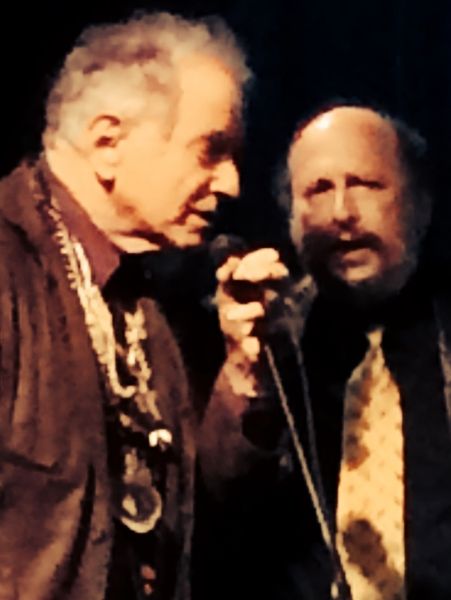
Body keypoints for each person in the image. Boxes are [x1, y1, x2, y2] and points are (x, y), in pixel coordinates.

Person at [0, 11, 250, 600]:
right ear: (107, 143)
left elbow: (216, 516)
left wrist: (247, 373)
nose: (232, 183)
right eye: (211, 150)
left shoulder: (154, 298)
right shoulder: (7, 265)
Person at [201, 103, 451, 599]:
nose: (342, 213)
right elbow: (219, 503)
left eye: (365, 184)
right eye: (318, 190)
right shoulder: (270, 341)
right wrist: (248, 370)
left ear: (419, 204)